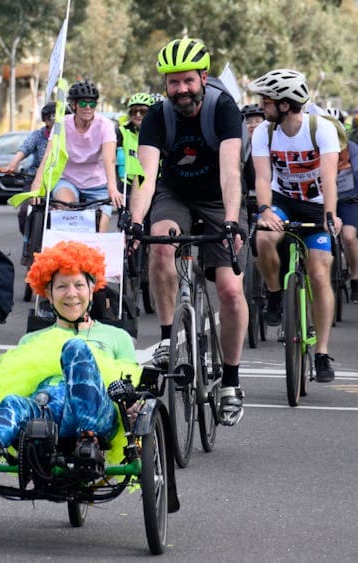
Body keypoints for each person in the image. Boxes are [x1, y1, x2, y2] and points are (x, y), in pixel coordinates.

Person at [128, 37, 248, 425]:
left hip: (218, 200)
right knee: (161, 244)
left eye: (187, 81)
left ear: (203, 77)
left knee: (230, 289)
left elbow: (231, 171)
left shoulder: (223, 109)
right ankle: (167, 339)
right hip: (175, 194)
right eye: (173, 82)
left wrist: (231, 221)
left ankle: (230, 380)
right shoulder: (157, 116)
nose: (180, 90)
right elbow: (145, 177)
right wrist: (134, 222)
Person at [0, 241, 140, 484]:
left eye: (79, 285)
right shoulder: (32, 338)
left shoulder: (117, 337)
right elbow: (14, 381)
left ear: (92, 289)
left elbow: (132, 384)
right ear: (48, 294)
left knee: (76, 348)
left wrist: (133, 404)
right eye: (61, 287)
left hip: (96, 411)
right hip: (47, 410)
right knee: (13, 402)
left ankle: (88, 442)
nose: (71, 294)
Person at [249, 69, 340, 382]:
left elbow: (329, 178)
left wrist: (330, 215)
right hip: (282, 200)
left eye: (267, 99)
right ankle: (275, 294)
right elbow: (262, 177)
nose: (262, 104)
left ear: (285, 104)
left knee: (318, 271)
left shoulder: (321, 129)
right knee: (262, 239)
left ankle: (322, 352)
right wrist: (263, 210)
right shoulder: (264, 131)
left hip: (315, 206)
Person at [30, 80, 120, 232]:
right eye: (83, 103)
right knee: (65, 214)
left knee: (100, 228)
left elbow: (109, 158)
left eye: (92, 104)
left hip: (97, 183)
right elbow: (49, 155)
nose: (88, 108)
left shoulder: (105, 125)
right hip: (68, 179)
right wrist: (37, 184)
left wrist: (112, 187)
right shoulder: (61, 125)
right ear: (73, 105)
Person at [327, 107, 358, 304]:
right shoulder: (317, 146)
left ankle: (355, 278)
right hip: (325, 201)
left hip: (349, 199)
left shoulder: (351, 147)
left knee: (350, 238)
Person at [1, 102, 59, 177]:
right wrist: (13, 164)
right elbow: (26, 147)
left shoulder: (70, 135)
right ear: (47, 121)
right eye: (55, 117)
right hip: (38, 177)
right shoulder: (38, 135)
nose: (60, 122)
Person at [120, 92, 154, 193]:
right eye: (134, 111)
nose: (138, 115)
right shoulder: (121, 132)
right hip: (127, 184)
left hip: (152, 183)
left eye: (143, 111)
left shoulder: (159, 133)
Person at [240, 103, 266, 196]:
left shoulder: (273, 145)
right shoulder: (239, 148)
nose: (253, 125)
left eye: (257, 121)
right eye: (248, 122)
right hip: (247, 196)